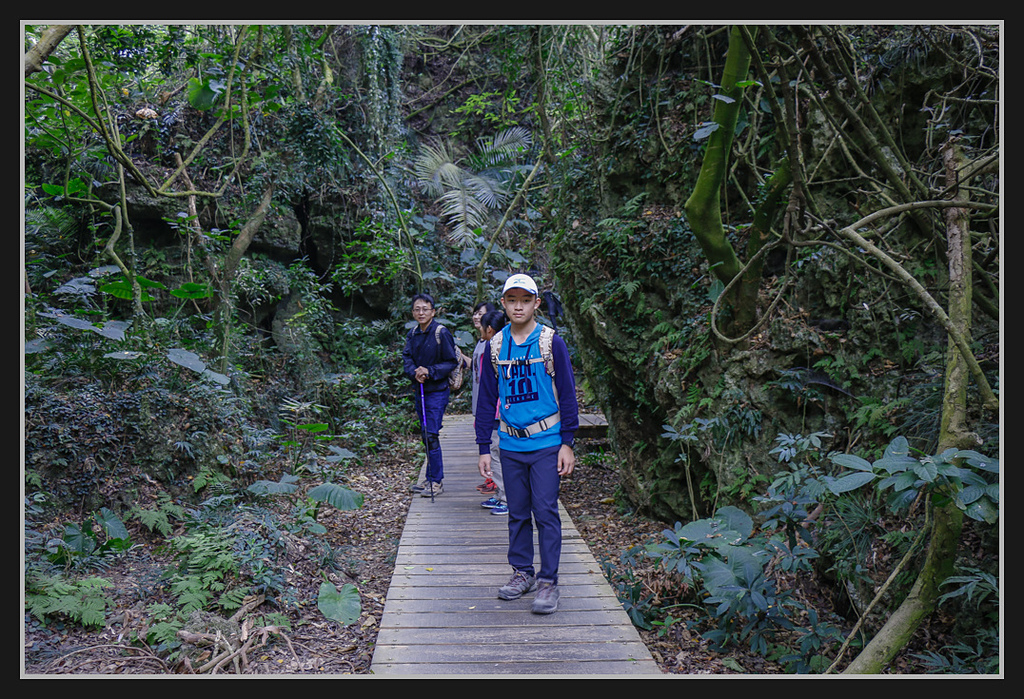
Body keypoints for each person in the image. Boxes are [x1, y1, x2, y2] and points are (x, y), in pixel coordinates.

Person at [474, 273, 579, 614]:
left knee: (545, 511)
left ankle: (549, 581)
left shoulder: (551, 342)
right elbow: (486, 400)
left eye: (525, 300)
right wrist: (483, 447)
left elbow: (568, 394)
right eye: (512, 300)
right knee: (517, 513)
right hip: (510, 445)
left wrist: (567, 443)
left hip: (547, 442)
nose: (518, 306)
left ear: (536, 303)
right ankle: (523, 572)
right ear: (503, 304)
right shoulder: (495, 346)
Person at [402, 292, 457, 499]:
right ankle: (430, 477)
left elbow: (451, 362)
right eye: (417, 309)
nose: (421, 313)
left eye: (425, 309)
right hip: (420, 390)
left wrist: (430, 371)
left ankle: (436, 481)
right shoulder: (413, 334)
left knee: (431, 434)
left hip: (437, 392)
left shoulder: (441, 333)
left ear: (433, 312)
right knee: (426, 435)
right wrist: (415, 372)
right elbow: (407, 357)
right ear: (412, 312)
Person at [475, 309, 508, 515]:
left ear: (489, 329)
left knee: (496, 452)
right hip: (495, 410)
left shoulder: (496, 346)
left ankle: (506, 497)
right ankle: (500, 494)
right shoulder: (491, 346)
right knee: (496, 452)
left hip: (498, 412)